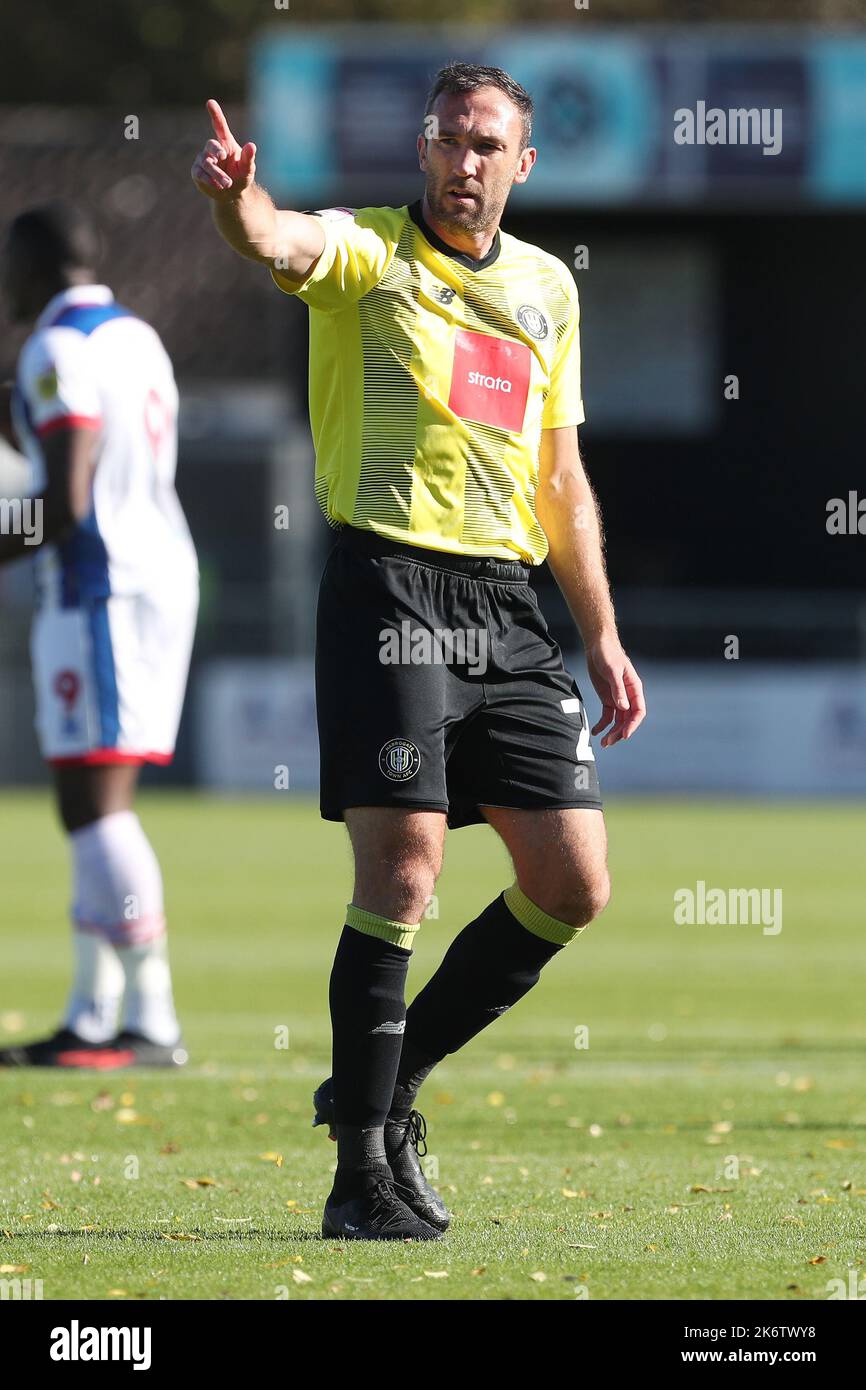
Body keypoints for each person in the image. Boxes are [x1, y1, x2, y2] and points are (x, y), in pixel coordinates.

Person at [191, 62, 645, 1239]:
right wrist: (237, 202)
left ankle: (377, 1089)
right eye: (446, 140)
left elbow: (559, 477)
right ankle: (359, 1178)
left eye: (486, 144)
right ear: (424, 150)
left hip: (510, 609)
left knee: (572, 882)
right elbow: (280, 242)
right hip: (392, 585)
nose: (463, 161)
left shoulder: (548, 289)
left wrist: (595, 633)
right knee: (403, 875)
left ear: (521, 163)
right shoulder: (373, 252)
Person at [0, 203, 198, 1069]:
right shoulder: (137, 337)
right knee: (88, 801)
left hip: (100, 586)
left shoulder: (57, 347)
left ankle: (149, 1018)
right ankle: (91, 1016)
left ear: (34, 266)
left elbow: (66, 501)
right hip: (152, 574)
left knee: (94, 805)